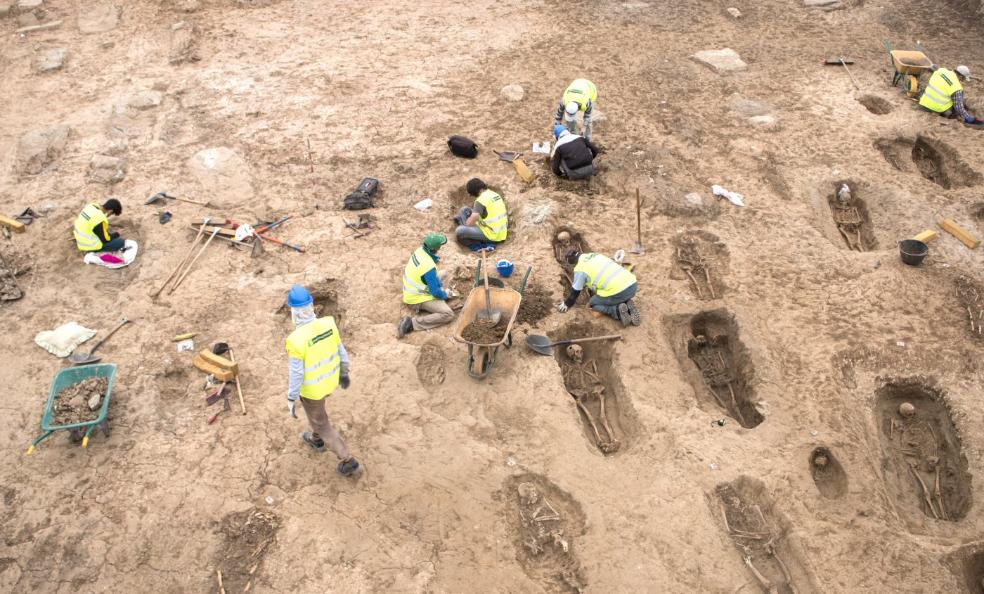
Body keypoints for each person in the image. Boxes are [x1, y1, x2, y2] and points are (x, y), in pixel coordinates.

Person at [285, 284, 361, 478]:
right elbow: (340, 349)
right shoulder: (328, 323)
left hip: (312, 390)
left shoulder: (295, 340)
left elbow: (296, 373)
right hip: (330, 380)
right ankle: (315, 439)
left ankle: (348, 460)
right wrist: (344, 371)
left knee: (321, 422)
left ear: (294, 311)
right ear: (311, 306)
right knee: (316, 414)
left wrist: (291, 397)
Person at [557, 249, 641, 326]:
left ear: (572, 263)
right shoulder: (595, 255)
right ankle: (627, 303)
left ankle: (617, 311)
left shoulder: (580, 269)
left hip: (619, 291)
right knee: (614, 293)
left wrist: (567, 304)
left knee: (592, 304)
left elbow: (575, 292)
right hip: (632, 285)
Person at [399, 233, 455, 338]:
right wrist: (444, 295)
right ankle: (412, 323)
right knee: (448, 314)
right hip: (416, 299)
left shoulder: (420, 251)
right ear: (436, 248)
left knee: (444, 274)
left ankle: (440, 302)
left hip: (413, 288)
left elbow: (430, 279)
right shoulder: (428, 267)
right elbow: (434, 291)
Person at [453, 178, 508, 247]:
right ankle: (469, 230)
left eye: (472, 194)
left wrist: (465, 224)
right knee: (464, 210)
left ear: (476, 191)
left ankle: (473, 242)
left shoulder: (480, 200)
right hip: (500, 232)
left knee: (459, 231)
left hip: (492, 235)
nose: (472, 196)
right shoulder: (494, 194)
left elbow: (470, 223)